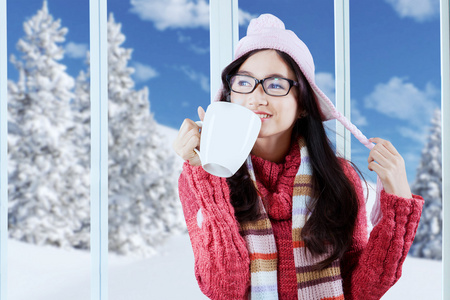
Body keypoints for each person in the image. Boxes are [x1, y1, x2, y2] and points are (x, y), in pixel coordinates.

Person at [173, 14, 424, 300]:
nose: (256, 98)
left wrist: (399, 201)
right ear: (230, 94)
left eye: (276, 85)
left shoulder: (339, 177)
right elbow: (223, 289)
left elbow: (363, 290)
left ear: (303, 104)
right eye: (244, 83)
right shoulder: (202, 178)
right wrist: (205, 172)